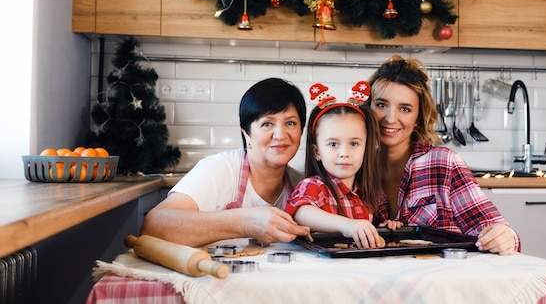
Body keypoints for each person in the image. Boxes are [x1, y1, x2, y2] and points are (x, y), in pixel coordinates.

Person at [368, 55, 520, 255]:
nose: (390, 118)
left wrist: (504, 236)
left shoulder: (444, 163)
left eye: (404, 109)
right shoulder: (353, 165)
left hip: (440, 279)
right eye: (381, 105)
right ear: (367, 107)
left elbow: (492, 226)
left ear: (419, 117)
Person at [141, 78, 311, 247]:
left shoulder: (303, 186)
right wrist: (245, 223)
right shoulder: (221, 169)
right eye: (267, 124)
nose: (280, 135)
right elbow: (154, 226)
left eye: (290, 123)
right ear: (246, 134)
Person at [284, 82, 402, 249]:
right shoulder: (314, 186)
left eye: (354, 144)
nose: (344, 153)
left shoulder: (371, 194)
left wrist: (389, 226)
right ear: (317, 152)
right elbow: (300, 212)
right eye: (333, 144)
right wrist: (346, 225)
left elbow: (377, 228)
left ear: (365, 148)